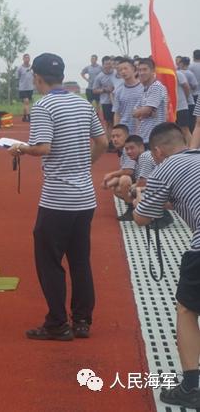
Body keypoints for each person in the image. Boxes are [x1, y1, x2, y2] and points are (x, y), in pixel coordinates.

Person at [8, 52, 107, 341]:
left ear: (37, 78)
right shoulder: (82, 103)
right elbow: (101, 141)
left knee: (48, 260)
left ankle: (57, 322)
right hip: (85, 198)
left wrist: (20, 148)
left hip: (57, 199)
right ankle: (82, 320)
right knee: (79, 260)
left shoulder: (44, 106)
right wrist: (85, 164)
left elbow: (42, 148)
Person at [133, 122, 200, 408]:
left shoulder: (164, 169)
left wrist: (137, 198)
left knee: (187, 309)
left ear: (158, 152)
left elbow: (142, 217)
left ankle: (190, 386)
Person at [101, 125, 136, 219]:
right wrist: (108, 184)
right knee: (117, 189)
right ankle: (136, 207)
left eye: (118, 136)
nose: (115, 139)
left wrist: (111, 175)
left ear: (127, 137)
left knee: (124, 180)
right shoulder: (123, 151)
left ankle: (132, 209)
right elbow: (125, 171)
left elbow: (128, 171)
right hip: (140, 181)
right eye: (113, 137)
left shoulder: (128, 149)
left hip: (147, 183)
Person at [134, 58, 168, 146]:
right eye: (139, 70)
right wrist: (144, 112)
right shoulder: (143, 89)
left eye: (145, 69)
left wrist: (144, 112)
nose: (141, 73)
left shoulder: (157, 87)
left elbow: (147, 110)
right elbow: (134, 113)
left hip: (155, 137)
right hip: (144, 136)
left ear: (153, 70)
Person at [112, 57, 143, 132]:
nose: (123, 72)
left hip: (141, 129)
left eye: (126, 68)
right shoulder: (119, 91)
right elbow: (117, 113)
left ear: (133, 69)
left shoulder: (143, 88)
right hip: (125, 130)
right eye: (120, 70)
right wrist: (116, 130)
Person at [92, 56, 116, 150]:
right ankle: (109, 142)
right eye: (106, 64)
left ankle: (118, 141)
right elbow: (94, 90)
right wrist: (105, 90)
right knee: (109, 123)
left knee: (117, 122)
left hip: (117, 101)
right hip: (106, 102)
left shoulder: (116, 73)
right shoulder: (99, 77)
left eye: (110, 63)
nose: (109, 66)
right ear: (103, 65)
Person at [180, 57, 198, 133]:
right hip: (191, 99)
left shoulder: (178, 73)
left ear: (181, 63)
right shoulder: (190, 73)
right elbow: (194, 85)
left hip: (181, 103)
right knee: (192, 122)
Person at [17, 53, 34, 122]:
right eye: (25, 58)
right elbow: (17, 77)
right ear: (23, 59)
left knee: (26, 103)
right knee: (26, 101)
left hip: (30, 88)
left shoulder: (32, 68)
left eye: (28, 58)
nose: (27, 59)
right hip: (23, 88)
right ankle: (29, 117)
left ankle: (24, 117)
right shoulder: (20, 68)